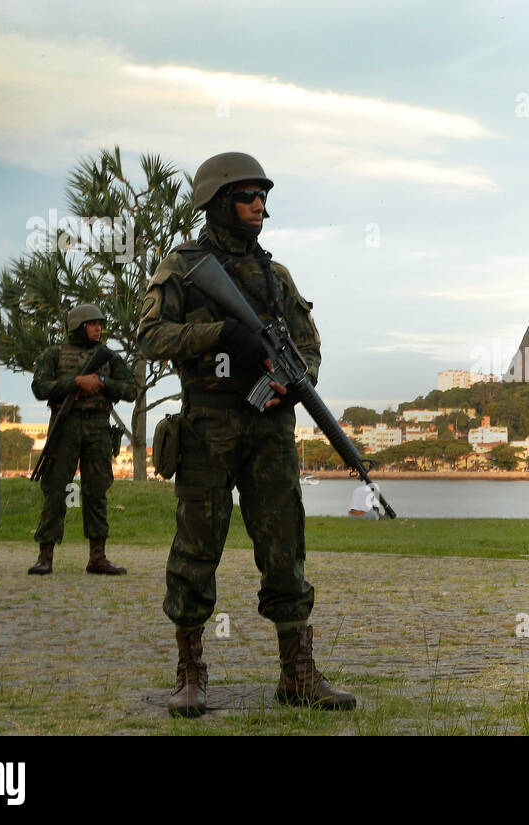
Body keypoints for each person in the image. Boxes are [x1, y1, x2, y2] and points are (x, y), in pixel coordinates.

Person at [138, 151, 355, 718]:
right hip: (207, 425)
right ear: (217, 202)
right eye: (247, 195)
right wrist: (220, 334)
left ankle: (297, 671)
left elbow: (308, 347)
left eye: (263, 196)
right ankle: (190, 670)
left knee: (284, 547)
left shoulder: (275, 275)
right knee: (195, 549)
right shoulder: (184, 265)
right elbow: (151, 336)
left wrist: (290, 379)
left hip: (269, 430)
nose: (259, 205)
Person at [29, 304, 137, 575]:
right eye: (92, 324)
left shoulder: (108, 357)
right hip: (64, 427)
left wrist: (101, 381)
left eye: (100, 323)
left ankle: (98, 557)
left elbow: (131, 390)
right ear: (78, 326)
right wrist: (76, 382)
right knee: (55, 489)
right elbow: (40, 388)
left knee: (96, 491)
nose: (98, 328)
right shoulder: (53, 354)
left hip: (97, 427)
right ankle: (45, 556)